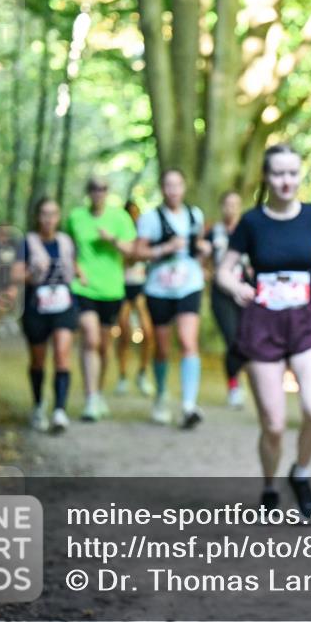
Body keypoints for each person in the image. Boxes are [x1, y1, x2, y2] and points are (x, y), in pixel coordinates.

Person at [216, 144, 311, 518]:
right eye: (278, 174)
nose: (286, 181)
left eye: (292, 174)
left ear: (300, 177)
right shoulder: (252, 222)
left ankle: (300, 474)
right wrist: (236, 287)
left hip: (308, 319)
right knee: (273, 424)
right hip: (263, 323)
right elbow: (224, 269)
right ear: (266, 178)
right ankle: (270, 486)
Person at [133, 168, 208, 429]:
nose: (173, 190)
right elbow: (137, 251)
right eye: (168, 185)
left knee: (188, 341)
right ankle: (161, 394)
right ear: (162, 188)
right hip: (159, 288)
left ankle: (189, 405)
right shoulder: (150, 219)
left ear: (184, 187)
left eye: (178, 185)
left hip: (189, 284)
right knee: (163, 347)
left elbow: (197, 247)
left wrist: (204, 250)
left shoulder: (194, 215)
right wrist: (164, 248)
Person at [65, 176, 137, 422]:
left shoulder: (120, 218)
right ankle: (90, 398)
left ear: (108, 191)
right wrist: (75, 268)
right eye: (94, 188)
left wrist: (112, 240)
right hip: (84, 289)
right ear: (88, 191)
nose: (99, 193)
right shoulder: (76, 217)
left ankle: (98, 392)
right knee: (90, 339)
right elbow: (68, 248)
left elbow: (133, 251)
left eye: (103, 188)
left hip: (112, 290)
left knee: (104, 347)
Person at [11, 198, 79, 433]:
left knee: (62, 354)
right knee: (38, 360)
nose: (49, 219)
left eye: (53, 213)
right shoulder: (27, 242)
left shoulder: (66, 242)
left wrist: (82, 275)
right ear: (37, 216)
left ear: (59, 216)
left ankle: (60, 410)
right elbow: (16, 274)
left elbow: (75, 266)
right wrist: (33, 273)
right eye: (44, 214)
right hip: (36, 308)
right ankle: (39, 404)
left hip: (64, 305)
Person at [204, 190, 249, 409]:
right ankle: (234, 385)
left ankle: (248, 380)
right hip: (221, 294)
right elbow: (200, 259)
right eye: (227, 204)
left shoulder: (249, 229)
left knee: (247, 340)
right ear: (222, 207)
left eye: (235, 204)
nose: (231, 209)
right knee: (232, 339)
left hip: (247, 292)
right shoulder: (214, 232)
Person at [115, 199, 155, 397]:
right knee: (124, 333)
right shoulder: (121, 237)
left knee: (148, 333)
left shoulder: (145, 236)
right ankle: (122, 375)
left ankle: (142, 372)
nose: (134, 217)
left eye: (136, 213)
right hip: (122, 289)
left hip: (140, 288)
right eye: (130, 213)